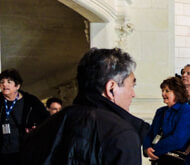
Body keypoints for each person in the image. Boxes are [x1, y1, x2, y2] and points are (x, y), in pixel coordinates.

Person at [21, 48, 149, 165]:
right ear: (111, 88)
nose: (133, 94)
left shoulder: (45, 127)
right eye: (131, 86)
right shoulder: (122, 134)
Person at [144, 76, 190, 165]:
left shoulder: (186, 111)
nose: (163, 94)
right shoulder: (160, 111)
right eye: (162, 90)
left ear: (177, 93)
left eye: (167, 91)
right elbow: (150, 134)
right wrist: (147, 148)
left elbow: (179, 139)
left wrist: (154, 150)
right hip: (159, 160)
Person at [0, 69, 48, 165]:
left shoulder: (31, 102)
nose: (5, 85)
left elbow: (46, 120)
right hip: (2, 151)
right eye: (2, 82)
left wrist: (36, 129)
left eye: (9, 82)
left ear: (17, 86)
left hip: (24, 150)